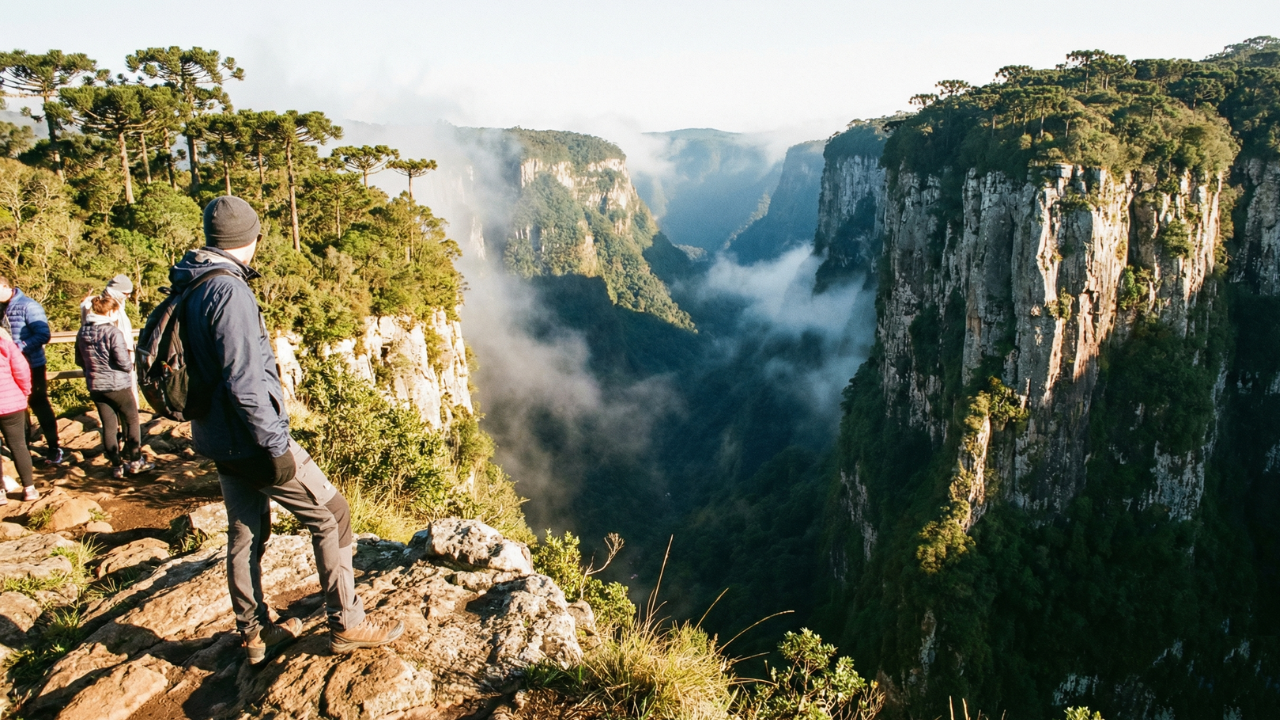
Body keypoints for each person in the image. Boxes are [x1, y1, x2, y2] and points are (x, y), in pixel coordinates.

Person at [171, 195, 402, 664]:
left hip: (218, 436)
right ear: (250, 239)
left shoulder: (191, 282)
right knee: (332, 514)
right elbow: (246, 381)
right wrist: (276, 445)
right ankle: (348, 623)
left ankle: (255, 634)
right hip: (251, 437)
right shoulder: (230, 291)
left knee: (244, 532)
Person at [75, 294, 153, 479]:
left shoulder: (83, 331)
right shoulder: (112, 332)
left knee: (108, 425)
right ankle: (135, 461)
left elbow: (79, 360)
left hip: (95, 385)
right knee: (131, 419)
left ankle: (117, 466)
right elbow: (124, 363)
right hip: (117, 385)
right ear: (110, 311)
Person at [0, 278, 63, 466]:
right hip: (9, 368)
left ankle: (54, 448)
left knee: (39, 403)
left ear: (5, 286)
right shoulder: (2, 307)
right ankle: (23, 450)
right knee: (18, 409)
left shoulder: (28, 306)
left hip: (32, 364)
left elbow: (44, 334)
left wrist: (16, 348)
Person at [0, 325, 37, 503]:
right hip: (11, 402)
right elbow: (21, 369)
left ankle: (0, 493)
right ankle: (29, 488)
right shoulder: (5, 342)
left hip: (9, 401)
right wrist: (25, 391)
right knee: (18, 445)